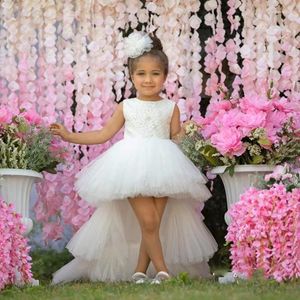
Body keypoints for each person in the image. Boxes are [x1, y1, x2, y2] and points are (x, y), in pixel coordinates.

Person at [50, 31, 217, 285]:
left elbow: (177, 137)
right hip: (131, 166)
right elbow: (104, 134)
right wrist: (70, 135)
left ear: (165, 76)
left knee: (153, 225)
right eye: (141, 74)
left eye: (155, 74)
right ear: (131, 77)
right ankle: (164, 272)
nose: (148, 80)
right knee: (149, 221)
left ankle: (139, 272)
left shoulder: (170, 107)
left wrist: (196, 136)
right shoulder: (126, 106)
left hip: (165, 166)